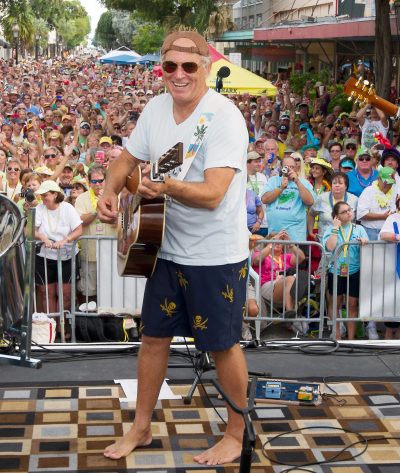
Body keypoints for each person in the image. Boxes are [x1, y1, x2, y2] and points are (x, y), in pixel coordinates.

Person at [97, 31, 249, 466]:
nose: (179, 75)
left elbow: (215, 192)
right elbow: (127, 160)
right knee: (153, 338)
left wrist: (166, 187)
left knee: (222, 345)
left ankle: (236, 434)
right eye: (170, 66)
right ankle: (141, 427)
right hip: (164, 246)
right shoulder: (156, 108)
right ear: (160, 68)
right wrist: (109, 189)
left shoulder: (223, 116)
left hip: (215, 253)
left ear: (206, 65)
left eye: (189, 66)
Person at [34, 180, 82, 320]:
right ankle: (52, 327)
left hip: (66, 256)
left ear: (55, 195)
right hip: (44, 256)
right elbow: (30, 231)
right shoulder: (39, 209)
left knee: (65, 293)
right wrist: (43, 238)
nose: (43, 198)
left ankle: (61, 325)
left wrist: (65, 240)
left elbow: (79, 230)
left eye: (45, 195)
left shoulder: (67, 208)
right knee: (47, 292)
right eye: (41, 195)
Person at [323, 201, 368, 340]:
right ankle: (337, 335)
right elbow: (330, 247)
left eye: (349, 210)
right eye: (344, 212)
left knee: (352, 304)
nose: (349, 213)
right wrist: (335, 229)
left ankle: (351, 337)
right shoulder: (331, 229)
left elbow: (367, 243)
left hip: (353, 271)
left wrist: (365, 242)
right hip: (335, 271)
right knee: (335, 303)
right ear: (336, 216)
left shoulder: (358, 228)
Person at [261, 155, 315, 241]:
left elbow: (310, 202)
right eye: (286, 167)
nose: (289, 169)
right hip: (275, 234)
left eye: (292, 167)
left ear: (296, 168)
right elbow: (264, 199)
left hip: (296, 235)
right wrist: (280, 188)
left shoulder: (304, 182)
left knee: (295, 255)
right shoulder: (273, 180)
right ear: (281, 167)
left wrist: (297, 182)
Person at [379, 194, 400, 339]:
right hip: (395, 267)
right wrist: (397, 237)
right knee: (393, 304)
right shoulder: (393, 218)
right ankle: (388, 340)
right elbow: (383, 235)